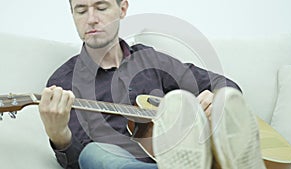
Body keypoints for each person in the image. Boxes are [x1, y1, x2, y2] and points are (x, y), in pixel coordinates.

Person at [38, 0, 266, 169]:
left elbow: (225, 84)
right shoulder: (63, 83)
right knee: (94, 153)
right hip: (124, 162)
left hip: (190, 153)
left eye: (101, 7)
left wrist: (214, 100)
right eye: (81, 10)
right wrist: (59, 135)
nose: (91, 19)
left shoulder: (150, 59)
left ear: (123, 8)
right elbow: (79, 162)